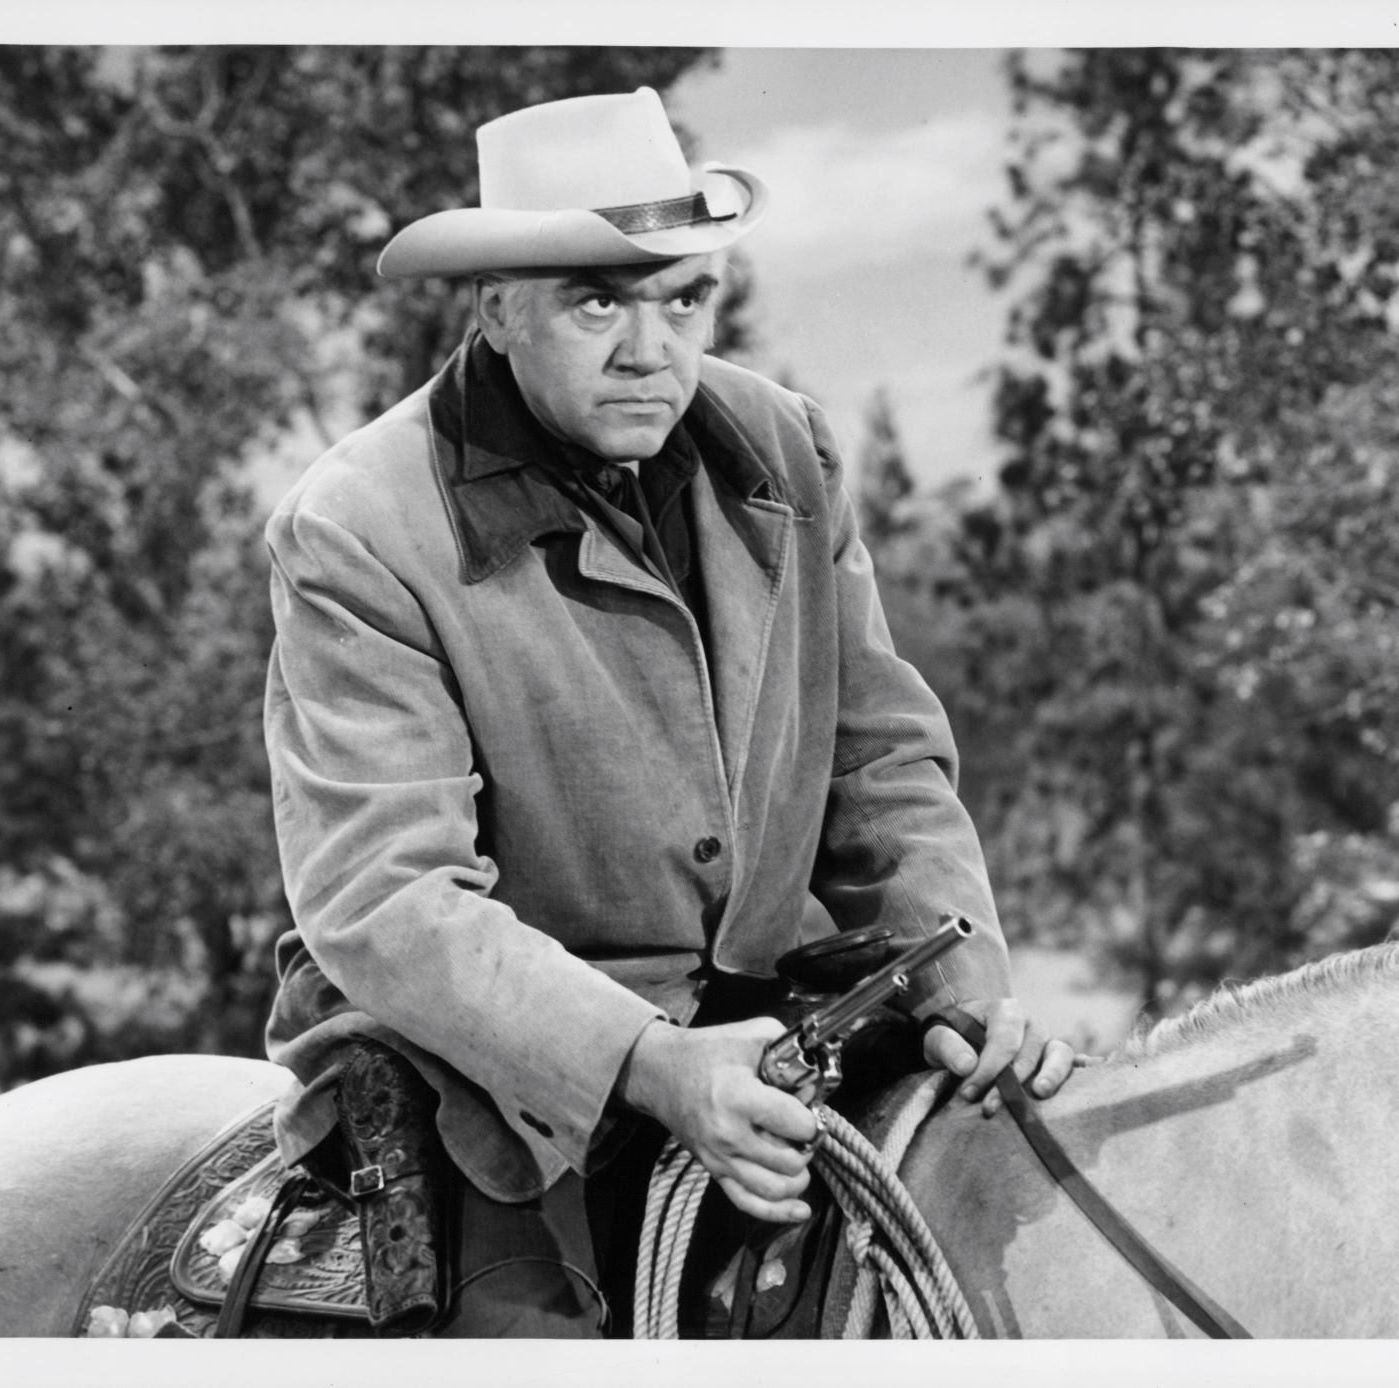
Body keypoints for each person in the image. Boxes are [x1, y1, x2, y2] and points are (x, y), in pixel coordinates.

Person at [260, 86, 1074, 1337]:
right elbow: (386, 896)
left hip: (770, 1013)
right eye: (599, 301)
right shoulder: (362, 526)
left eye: (684, 299)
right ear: (497, 306)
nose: (653, 349)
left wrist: (964, 979)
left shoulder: (783, 448)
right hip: (484, 1071)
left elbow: (880, 757)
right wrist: (648, 1063)